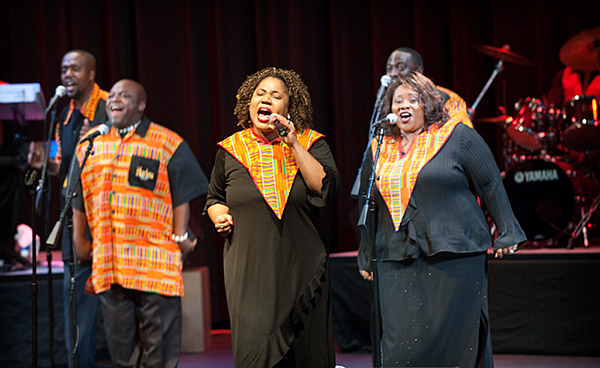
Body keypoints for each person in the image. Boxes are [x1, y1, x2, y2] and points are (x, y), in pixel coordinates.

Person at [357, 71, 526, 367]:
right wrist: (365, 252)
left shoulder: (456, 136)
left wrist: (508, 230)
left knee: (453, 346)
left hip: (454, 254)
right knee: (400, 349)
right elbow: (367, 201)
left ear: (428, 104)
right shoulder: (379, 146)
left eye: (413, 99)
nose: (403, 105)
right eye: (397, 101)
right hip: (395, 256)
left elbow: (489, 183)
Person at [204, 67, 340, 367]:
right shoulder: (231, 150)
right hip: (250, 275)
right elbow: (214, 199)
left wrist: (293, 143)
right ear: (249, 103)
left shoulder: (310, 142)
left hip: (302, 271)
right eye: (260, 94)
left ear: (289, 108)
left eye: (276, 95)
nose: (266, 99)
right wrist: (219, 215)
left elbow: (326, 187)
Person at [71, 79, 208, 368]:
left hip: (154, 260)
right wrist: (79, 240)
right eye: (113, 96)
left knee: (158, 353)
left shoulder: (167, 142)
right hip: (110, 261)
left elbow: (182, 194)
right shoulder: (90, 143)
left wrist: (180, 236)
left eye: (125, 96)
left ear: (141, 105)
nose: (115, 100)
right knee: (121, 354)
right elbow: (79, 195)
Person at [27, 49, 108, 368]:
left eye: (74, 69)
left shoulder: (107, 106)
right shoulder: (64, 113)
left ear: (91, 73)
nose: (67, 76)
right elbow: (67, 165)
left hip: (102, 217)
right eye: (63, 70)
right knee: (76, 304)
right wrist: (46, 164)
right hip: (72, 215)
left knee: (114, 305)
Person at [386, 47, 474, 127]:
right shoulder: (385, 99)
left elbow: (461, 131)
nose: (393, 73)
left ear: (418, 71)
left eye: (401, 67)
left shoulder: (447, 97)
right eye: (389, 68)